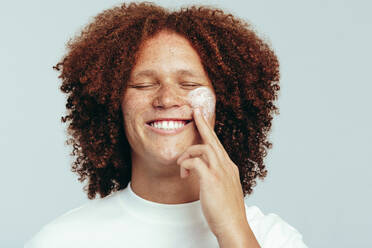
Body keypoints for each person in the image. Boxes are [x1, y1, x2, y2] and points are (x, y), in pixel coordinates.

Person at [25, 2, 308, 248]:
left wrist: (232, 231)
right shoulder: (61, 241)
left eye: (189, 84)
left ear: (227, 106)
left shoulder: (272, 238)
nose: (167, 99)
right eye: (144, 84)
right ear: (114, 104)